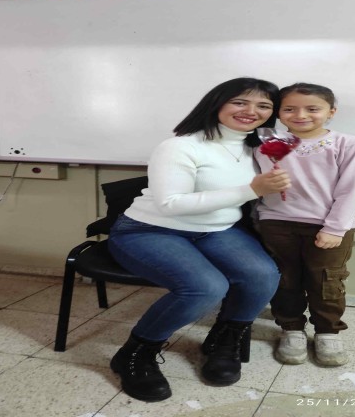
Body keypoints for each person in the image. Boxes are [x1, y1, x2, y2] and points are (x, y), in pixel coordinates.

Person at [108, 77, 291, 402]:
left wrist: (352, 184)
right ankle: (135, 354)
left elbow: (303, 174)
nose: (251, 111)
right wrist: (250, 189)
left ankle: (223, 340)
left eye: (263, 105)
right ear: (217, 103)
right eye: (240, 102)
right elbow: (171, 204)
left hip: (216, 229)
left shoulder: (261, 148)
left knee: (262, 275)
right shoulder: (180, 146)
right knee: (205, 287)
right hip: (150, 230)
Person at [254, 82, 355, 367]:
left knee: (327, 282)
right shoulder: (265, 144)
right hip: (277, 224)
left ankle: (327, 331)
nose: (300, 115)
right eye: (290, 109)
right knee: (285, 279)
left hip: (328, 226)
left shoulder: (349, 144)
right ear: (279, 113)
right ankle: (291, 327)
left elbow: (351, 188)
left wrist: (334, 228)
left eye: (312, 108)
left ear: (331, 112)